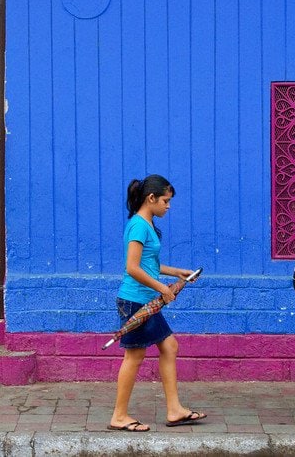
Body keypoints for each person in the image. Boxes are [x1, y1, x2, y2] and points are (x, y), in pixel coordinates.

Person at [107, 174, 206, 432]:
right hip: (136, 302)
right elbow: (132, 268)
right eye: (165, 200)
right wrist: (163, 288)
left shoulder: (146, 224)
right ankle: (119, 415)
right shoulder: (140, 225)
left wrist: (176, 273)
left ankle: (174, 410)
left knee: (170, 347)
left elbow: (149, 265)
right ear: (151, 198)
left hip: (146, 300)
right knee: (135, 355)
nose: (168, 206)